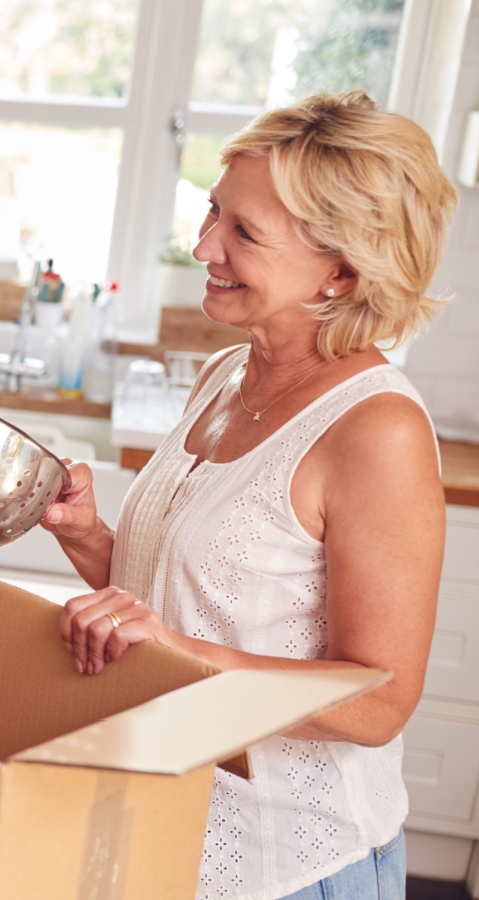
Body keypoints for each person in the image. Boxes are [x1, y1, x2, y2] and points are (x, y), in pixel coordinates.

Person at [43, 90, 453, 900]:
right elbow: (188, 609)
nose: (203, 247)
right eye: (212, 213)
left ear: (340, 271)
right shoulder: (225, 376)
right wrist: (89, 536)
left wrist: (180, 651)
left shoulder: (376, 432)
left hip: (291, 864)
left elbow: (380, 701)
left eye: (243, 234)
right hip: (166, 827)